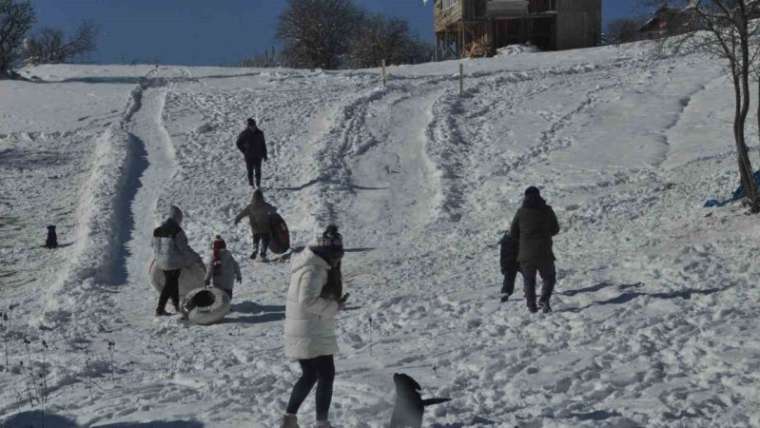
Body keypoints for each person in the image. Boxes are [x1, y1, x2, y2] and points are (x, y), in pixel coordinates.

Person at [281, 225, 347, 428]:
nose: (337, 260)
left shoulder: (311, 265)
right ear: (326, 252)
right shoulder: (313, 270)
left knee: (310, 375)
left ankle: (289, 419)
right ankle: (321, 423)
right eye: (335, 255)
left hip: (306, 329)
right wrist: (334, 306)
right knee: (326, 375)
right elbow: (307, 301)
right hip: (311, 331)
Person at [509, 187, 560, 313]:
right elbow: (555, 229)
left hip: (526, 254)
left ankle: (531, 305)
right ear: (539, 195)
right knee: (549, 277)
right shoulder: (547, 210)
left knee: (529, 279)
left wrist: (523, 239)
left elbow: (513, 232)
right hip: (544, 252)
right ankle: (544, 299)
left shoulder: (521, 212)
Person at [152, 205, 203, 316]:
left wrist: (157, 260)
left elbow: (155, 247)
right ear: (177, 218)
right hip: (173, 264)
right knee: (169, 286)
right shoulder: (177, 230)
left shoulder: (158, 230)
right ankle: (160, 310)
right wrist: (196, 258)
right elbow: (184, 249)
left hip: (161, 263)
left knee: (172, 284)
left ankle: (176, 307)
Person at [234, 189, 278, 260]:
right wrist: (274, 209)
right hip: (265, 227)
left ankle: (255, 249)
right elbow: (273, 210)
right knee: (265, 240)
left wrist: (237, 219)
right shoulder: (265, 205)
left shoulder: (250, 207)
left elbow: (242, 214)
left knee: (256, 239)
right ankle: (263, 252)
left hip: (255, 228)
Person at [236, 118, 268, 188]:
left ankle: (258, 184)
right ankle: (251, 184)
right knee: (250, 171)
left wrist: (265, 154)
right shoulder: (244, 134)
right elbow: (238, 143)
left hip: (258, 155)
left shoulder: (260, 133)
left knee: (258, 171)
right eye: (250, 126)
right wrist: (244, 151)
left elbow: (263, 144)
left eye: (253, 125)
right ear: (248, 126)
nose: (252, 127)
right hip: (249, 156)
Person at [499, 230, 520, 303]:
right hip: (517, 262)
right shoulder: (519, 238)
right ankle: (529, 291)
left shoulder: (505, 240)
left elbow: (503, 256)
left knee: (508, 278)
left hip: (510, 263)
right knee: (528, 277)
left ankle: (505, 293)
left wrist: (503, 266)